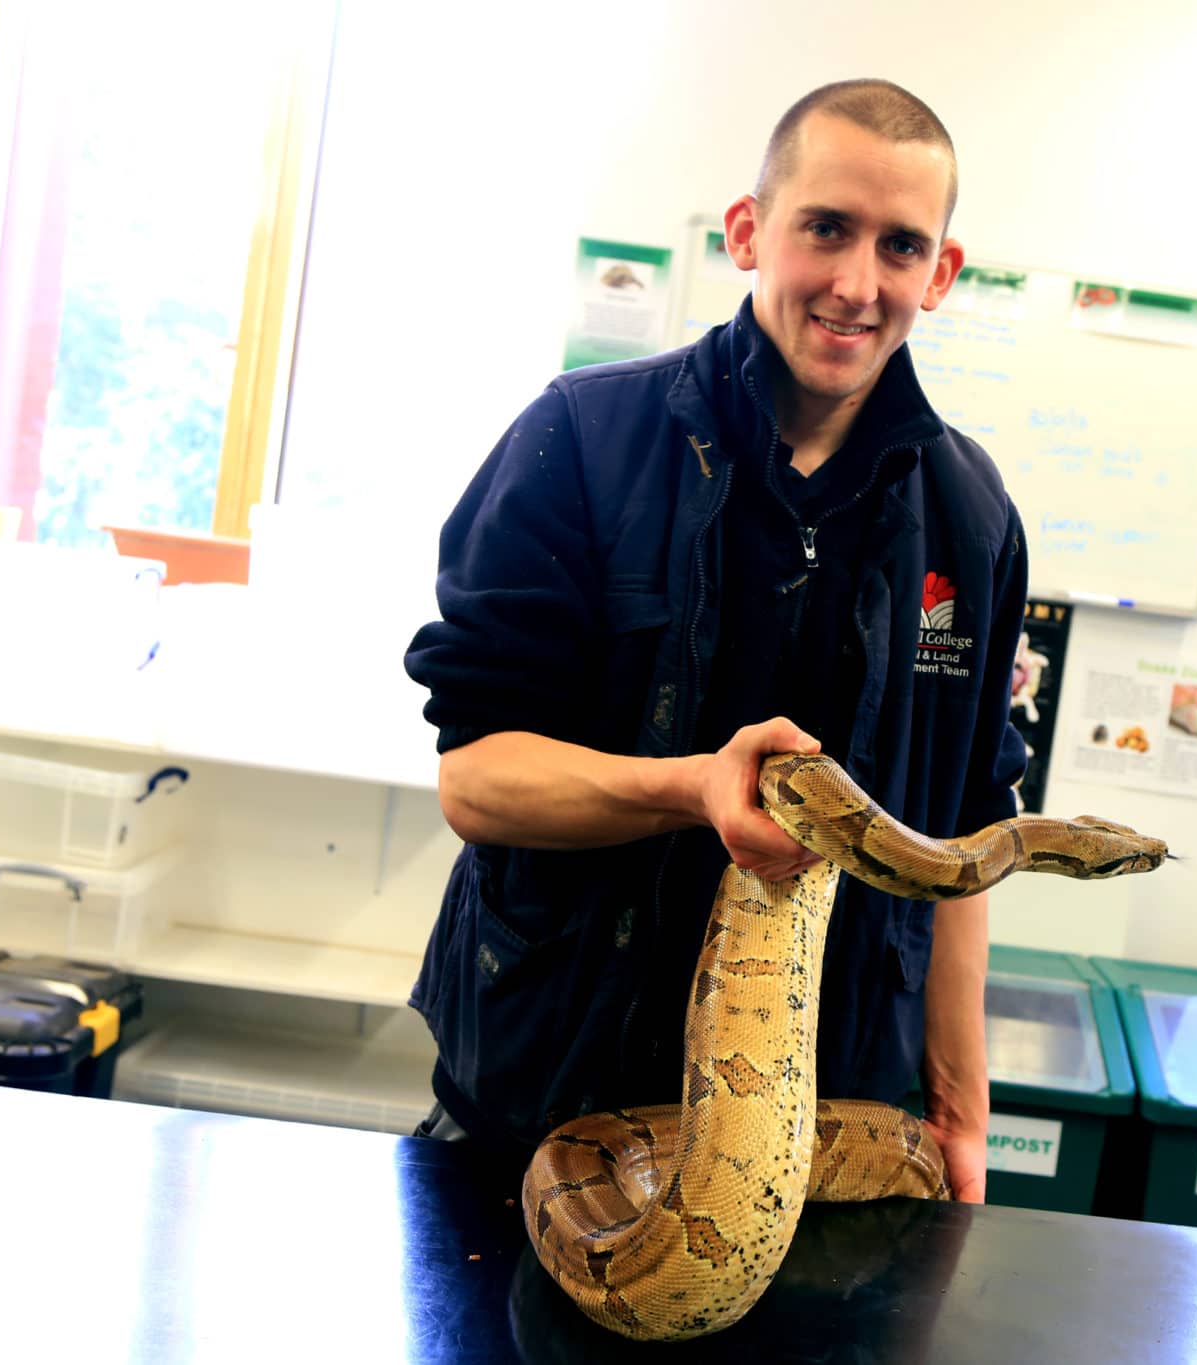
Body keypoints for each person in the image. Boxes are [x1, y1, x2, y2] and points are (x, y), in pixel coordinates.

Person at [403, 78, 1028, 1204]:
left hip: (828, 1137)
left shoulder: (971, 517)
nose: (855, 283)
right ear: (749, 233)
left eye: (898, 246)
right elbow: (478, 782)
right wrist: (693, 787)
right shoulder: (578, 443)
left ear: (940, 273)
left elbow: (966, 841)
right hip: (547, 1105)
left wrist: (958, 1110)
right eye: (825, 228)